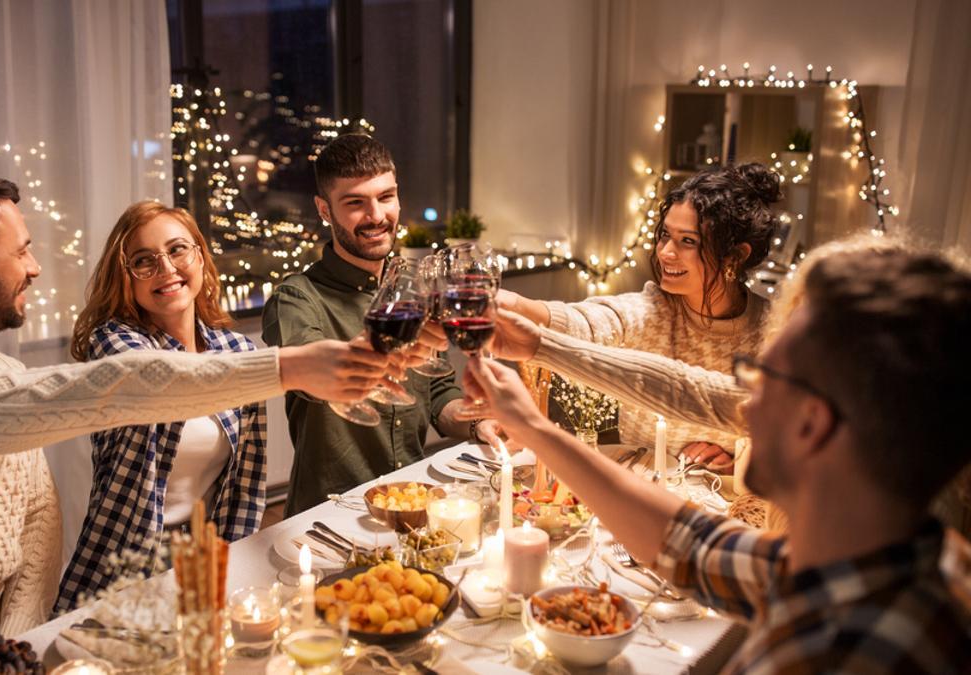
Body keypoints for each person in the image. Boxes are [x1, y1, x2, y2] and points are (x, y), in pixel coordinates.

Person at [0, 164, 397, 674]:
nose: (34, 268)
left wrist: (24, 645)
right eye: (21, 251)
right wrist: (288, 366)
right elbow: (121, 385)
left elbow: (35, 530)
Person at [466, 246, 971, 672]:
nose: (742, 404)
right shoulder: (882, 558)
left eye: (759, 377)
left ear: (812, 425)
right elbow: (692, 546)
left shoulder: (839, 652)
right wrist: (533, 425)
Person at [262, 133, 503, 516]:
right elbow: (310, 375)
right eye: (355, 203)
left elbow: (438, 390)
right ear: (324, 210)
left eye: (385, 197)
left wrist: (477, 423)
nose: (376, 216)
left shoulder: (416, 284)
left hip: (412, 502)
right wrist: (377, 348)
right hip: (331, 514)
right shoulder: (295, 298)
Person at [56, 202, 278, 611]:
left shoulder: (237, 350)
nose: (166, 268)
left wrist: (236, 564)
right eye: (144, 261)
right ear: (125, 278)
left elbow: (245, 485)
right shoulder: (114, 343)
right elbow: (161, 379)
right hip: (128, 558)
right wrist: (286, 368)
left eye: (177, 250)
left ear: (200, 256)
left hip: (207, 549)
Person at [497, 163, 780, 469]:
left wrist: (739, 459)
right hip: (636, 496)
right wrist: (514, 304)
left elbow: (791, 448)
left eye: (688, 241)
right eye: (665, 236)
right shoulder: (653, 309)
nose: (665, 253)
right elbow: (588, 321)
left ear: (735, 256)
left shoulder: (775, 333)